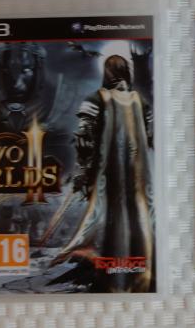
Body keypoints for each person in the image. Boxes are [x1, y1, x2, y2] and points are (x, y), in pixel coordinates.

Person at [53, 55, 154, 292]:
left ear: (107, 73)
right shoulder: (140, 101)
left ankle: (111, 271)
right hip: (137, 176)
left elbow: (84, 139)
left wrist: (82, 172)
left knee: (105, 216)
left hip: (109, 175)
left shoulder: (96, 99)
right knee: (137, 216)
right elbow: (150, 136)